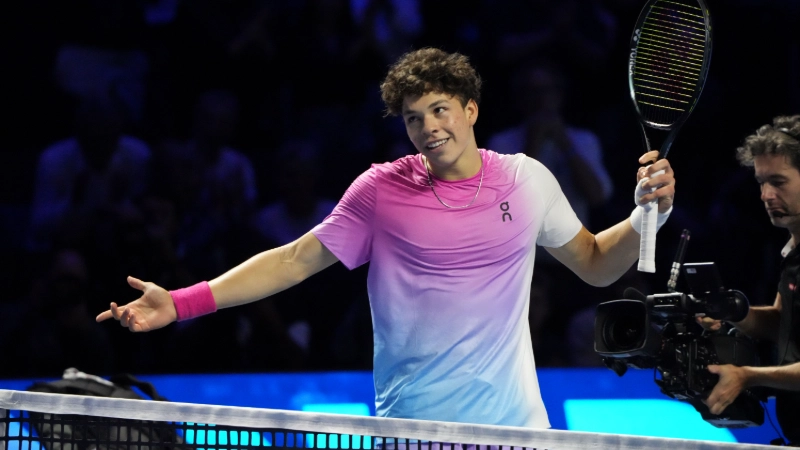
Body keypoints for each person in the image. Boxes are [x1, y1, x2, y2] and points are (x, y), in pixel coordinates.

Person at [97, 48, 675, 429]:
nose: (428, 128)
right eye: (413, 117)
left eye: (440, 109)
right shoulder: (380, 189)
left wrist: (646, 214)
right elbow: (295, 260)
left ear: (472, 109)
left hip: (517, 429)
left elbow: (597, 264)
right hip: (411, 428)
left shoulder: (526, 180)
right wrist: (181, 302)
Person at [699, 115, 800, 445]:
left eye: (778, 181)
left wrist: (747, 377)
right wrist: (734, 313)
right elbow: (781, 324)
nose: (765, 195)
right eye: (761, 182)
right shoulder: (790, 250)